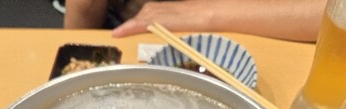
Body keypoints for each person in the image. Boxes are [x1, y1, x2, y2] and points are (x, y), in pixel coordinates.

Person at [64, 0, 327, 42]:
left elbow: (339, 11)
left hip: (255, 29)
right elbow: (85, 6)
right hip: (131, 31)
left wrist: (207, 13)